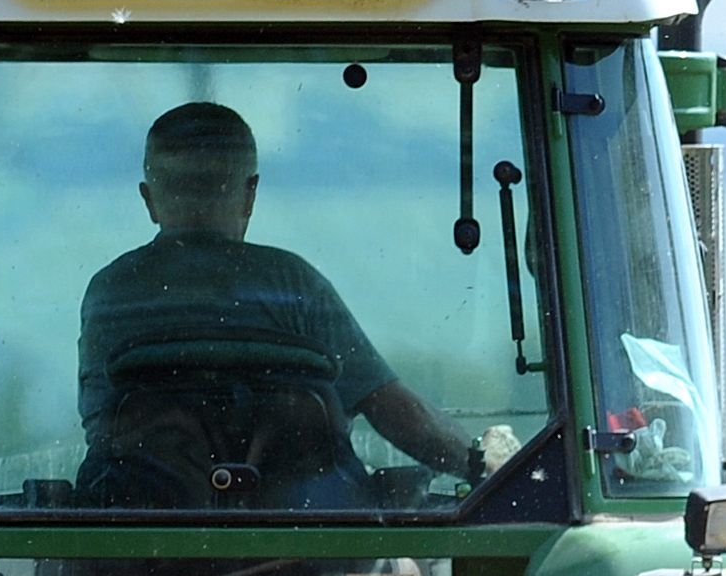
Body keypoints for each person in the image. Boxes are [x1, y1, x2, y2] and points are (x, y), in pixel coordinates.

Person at [76, 101, 478, 503]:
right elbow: (399, 416)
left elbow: (103, 432)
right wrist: (486, 465)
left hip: (139, 548)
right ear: (250, 194)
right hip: (305, 551)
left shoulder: (110, 291)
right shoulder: (292, 283)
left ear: (149, 199)